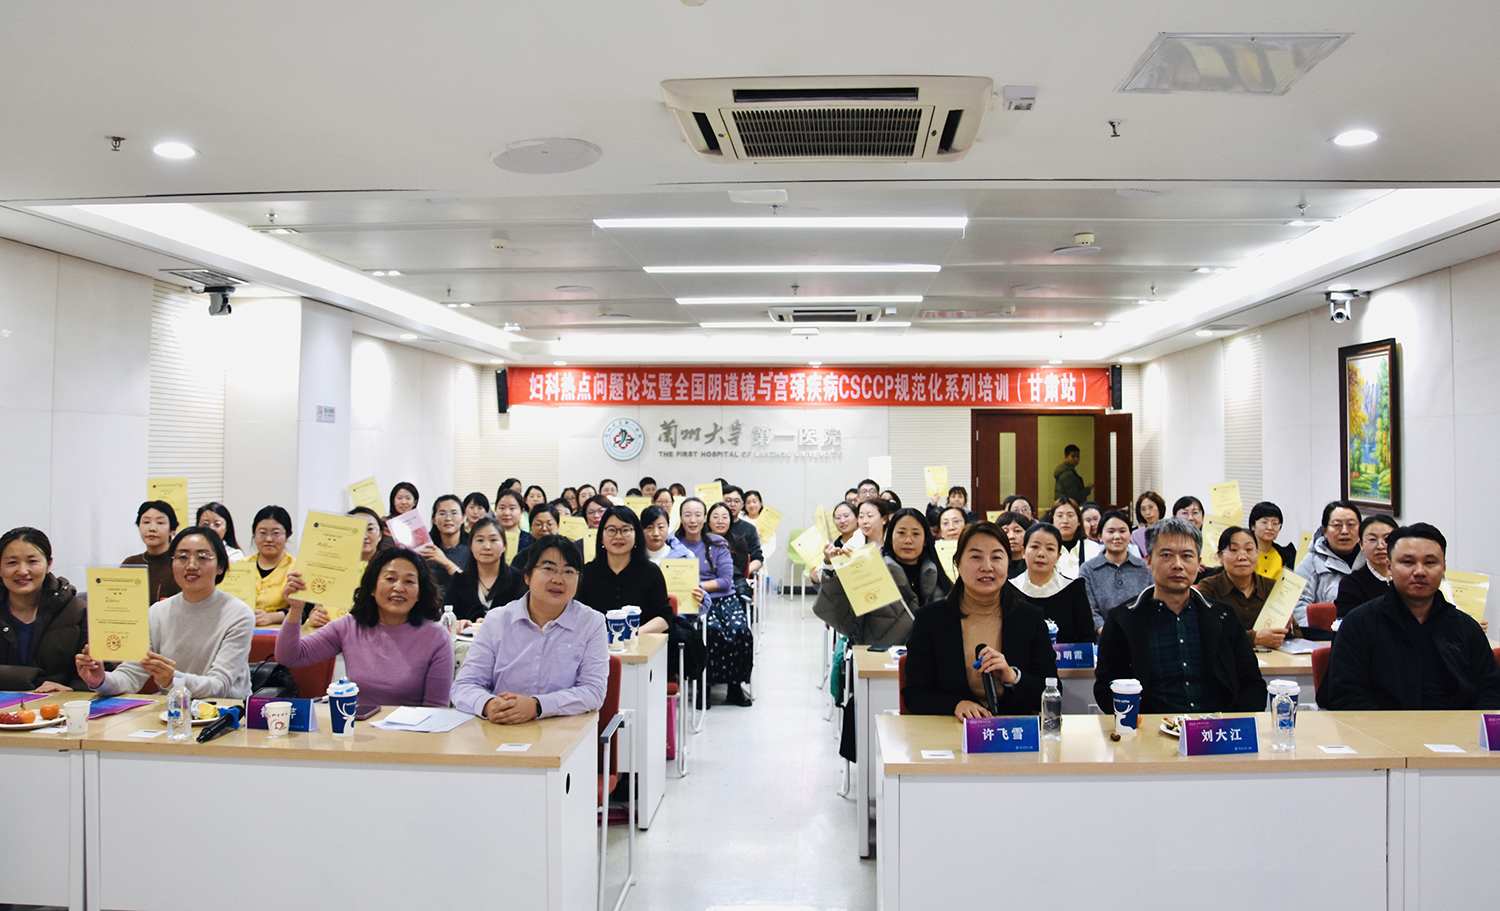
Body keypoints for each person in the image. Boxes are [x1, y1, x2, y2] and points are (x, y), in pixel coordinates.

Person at [1093, 517, 1267, 714]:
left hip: (1217, 726)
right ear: (1148, 561)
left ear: (1199, 563)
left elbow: (1251, 683)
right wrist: (1137, 722)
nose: (1177, 565)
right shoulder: (1123, 620)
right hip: (1150, 728)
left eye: (1187, 556)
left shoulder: (1223, 616)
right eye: (1166, 555)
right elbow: (1106, 688)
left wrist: (1233, 722)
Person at [1325, 523, 1500, 710]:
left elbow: (1491, 691)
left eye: (1430, 563)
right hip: (1382, 726)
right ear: (1389, 566)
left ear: (1443, 568)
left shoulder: (1466, 628)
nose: (1419, 572)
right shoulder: (1359, 624)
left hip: (1457, 726)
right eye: (1408, 562)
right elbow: (1346, 696)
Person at [901, 523, 1059, 718]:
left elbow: (1052, 690)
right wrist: (955, 705)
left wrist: (1013, 677)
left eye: (996, 557)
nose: (987, 567)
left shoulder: (1030, 618)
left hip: (1012, 731)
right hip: (952, 729)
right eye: (976, 557)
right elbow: (914, 694)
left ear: (1008, 564)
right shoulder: (931, 619)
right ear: (958, 564)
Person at [77, 526, 254, 698]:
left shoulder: (238, 614)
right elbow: (132, 672)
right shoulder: (158, 612)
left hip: (227, 711)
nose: (191, 565)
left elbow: (220, 686)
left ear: (220, 566)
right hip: (173, 710)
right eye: (182, 557)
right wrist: (101, 681)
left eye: (202, 557)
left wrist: (172, 680)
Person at [451, 536, 609, 723]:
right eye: (548, 568)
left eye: (568, 571)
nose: (558, 579)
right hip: (501, 727)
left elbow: (593, 691)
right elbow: (464, 685)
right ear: (527, 576)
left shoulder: (591, 623)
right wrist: (488, 704)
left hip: (563, 729)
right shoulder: (497, 620)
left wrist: (537, 706)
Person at [277, 547, 453, 707]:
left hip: (412, 729)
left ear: (419, 593)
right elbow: (290, 657)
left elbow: (436, 707)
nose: (399, 587)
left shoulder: (436, 637)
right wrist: (296, 609)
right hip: (358, 726)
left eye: (409, 581)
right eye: (390, 579)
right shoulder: (349, 626)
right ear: (372, 588)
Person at [677, 497, 752, 707]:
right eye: (687, 515)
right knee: (710, 631)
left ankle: (735, 688)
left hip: (724, 598)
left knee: (740, 630)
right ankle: (704, 687)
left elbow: (726, 581)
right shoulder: (674, 544)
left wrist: (696, 585)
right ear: (681, 518)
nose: (693, 520)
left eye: (697, 515)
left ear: (704, 519)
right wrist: (693, 589)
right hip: (692, 601)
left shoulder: (717, 543)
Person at [0, 527, 88, 692]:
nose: (22, 571)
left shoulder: (77, 612)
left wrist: (71, 691)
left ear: (49, 564)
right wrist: (33, 680)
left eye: (32, 561)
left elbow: (100, 674)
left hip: (59, 705)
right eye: (12, 562)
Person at [1195, 526, 1295, 648]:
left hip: (1272, 657)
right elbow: (1208, 631)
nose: (1242, 557)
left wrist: (1287, 627)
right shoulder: (1209, 587)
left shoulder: (1272, 587)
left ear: (1257, 554)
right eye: (1234, 550)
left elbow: (1297, 633)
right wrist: (1254, 638)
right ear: (1220, 557)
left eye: (1249, 550)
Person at [579, 507, 673, 635]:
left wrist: (632, 635)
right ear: (601, 536)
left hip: (642, 642)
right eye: (611, 530)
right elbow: (578, 616)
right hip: (596, 643)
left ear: (636, 535)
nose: (618, 536)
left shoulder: (651, 572)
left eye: (625, 530)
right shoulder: (587, 573)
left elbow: (664, 618)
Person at [1010, 522, 1094, 644]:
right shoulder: (1010, 590)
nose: (1041, 554)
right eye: (1035, 547)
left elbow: (1086, 639)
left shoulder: (1073, 589)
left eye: (1050, 549)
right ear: (1023, 552)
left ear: (1058, 556)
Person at [1293, 500, 1365, 626]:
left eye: (1351, 524)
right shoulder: (1311, 563)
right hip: (1325, 633)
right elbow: (1298, 608)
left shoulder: (1370, 559)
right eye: (1337, 525)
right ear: (1325, 530)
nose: (1345, 531)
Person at [1079, 510, 1151, 633]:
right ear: (1100, 536)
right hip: (1102, 638)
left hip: (1141, 636)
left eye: (1122, 531)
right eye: (1111, 531)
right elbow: (1090, 611)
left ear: (1130, 535)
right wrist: (1107, 634)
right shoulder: (1088, 569)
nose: (1117, 536)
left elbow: (1152, 605)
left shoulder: (1145, 568)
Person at [448, 517, 526, 625]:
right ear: (471, 546)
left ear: (504, 546)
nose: (487, 547)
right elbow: (448, 617)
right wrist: (458, 623)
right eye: (480, 540)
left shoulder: (518, 580)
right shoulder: (459, 580)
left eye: (493, 540)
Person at [1335, 514, 1400, 617]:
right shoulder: (1351, 583)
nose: (1380, 546)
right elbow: (1349, 622)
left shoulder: (1406, 578)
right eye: (1372, 539)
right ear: (1361, 544)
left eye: (1387, 539)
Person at [123, 500, 180, 604]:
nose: (152, 528)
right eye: (146, 522)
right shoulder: (130, 564)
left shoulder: (180, 563)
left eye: (160, 522)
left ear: (172, 529)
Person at [247, 506, 295, 626]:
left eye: (276, 533)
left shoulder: (297, 569)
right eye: (262, 533)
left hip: (280, 632)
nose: (268, 539)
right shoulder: (240, 566)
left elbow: (306, 609)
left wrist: (272, 617)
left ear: (288, 536)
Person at [417, 494, 469, 597]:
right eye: (442, 513)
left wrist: (445, 562)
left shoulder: (473, 550)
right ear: (434, 520)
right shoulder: (425, 550)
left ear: (463, 518)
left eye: (454, 513)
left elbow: (472, 587)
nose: (448, 518)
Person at [720, 486, 765, 577]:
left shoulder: (750, 529)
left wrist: (744, 572)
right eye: (728, 500)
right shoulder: (711, 526)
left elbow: (757, 558)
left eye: (736, 501)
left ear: (742, 505)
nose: (732, 504)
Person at [1247, 501, 1297, 579]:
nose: (1270, 527)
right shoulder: (1244, 555)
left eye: (1275, 523)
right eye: (1264, 522)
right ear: (1253, 525)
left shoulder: (1286, 556)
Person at [1047, 497, 1093, 577]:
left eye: (1070, 515)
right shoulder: (1044, 550)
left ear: (1079, 521)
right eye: (1060, 516)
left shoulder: (1093, 549)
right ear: (1052, 520)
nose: (1065, 521)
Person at [494, 488, 533, 554]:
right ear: (495, 510)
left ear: (521, 511)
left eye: (512, 508)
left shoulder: (530, 540)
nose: (506, 513)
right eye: (502, 508)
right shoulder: (488, 538)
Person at [995, 511, 1031, 579]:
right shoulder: (994, 566)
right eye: (1005, 532)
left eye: (1017, 531)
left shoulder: (1033, 565)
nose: (1011, 536)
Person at [1130, 491, 1167, 557]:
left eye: (1151, 507)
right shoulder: (1136, 535)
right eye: (1143, 509)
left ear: (1159, 508)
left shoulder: (1170, 530)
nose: (1147, 512)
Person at [743, 489, 776, 558]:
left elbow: (770, 543)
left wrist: (759, 556)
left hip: (760, 557)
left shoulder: (767, 521)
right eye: (748, 502)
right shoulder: (740, 519)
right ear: (744, 505)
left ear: (760, 503)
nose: (752, 505)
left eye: (754, 502)